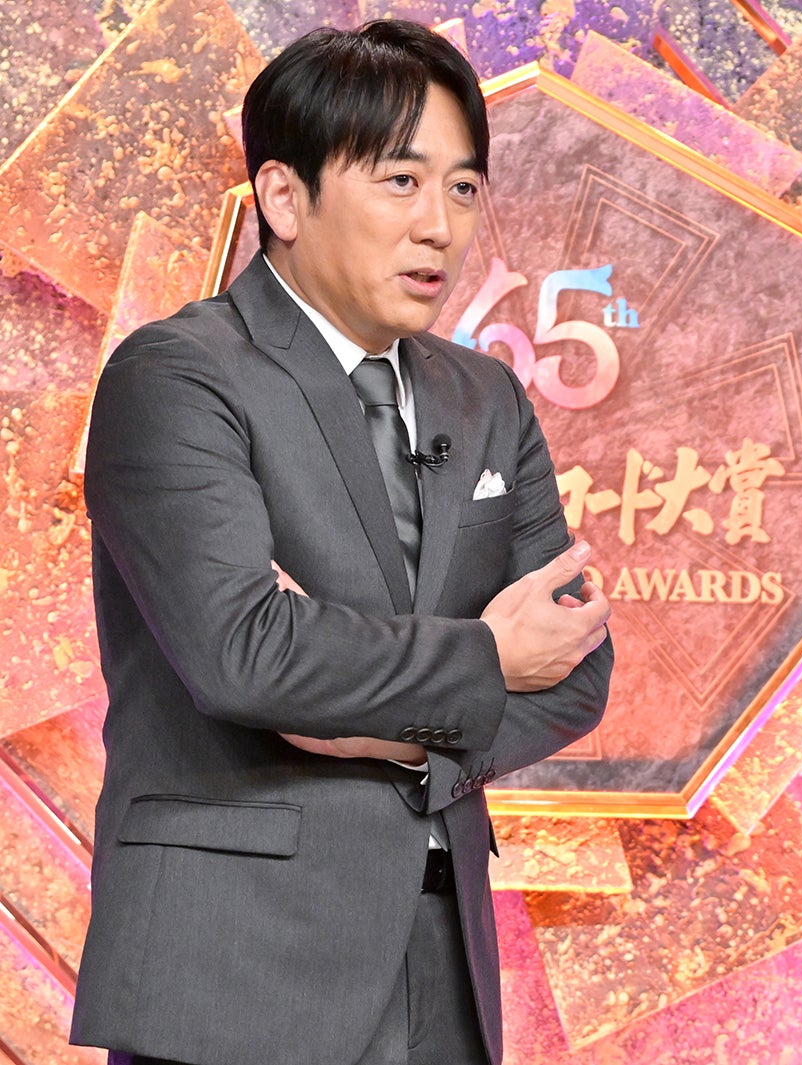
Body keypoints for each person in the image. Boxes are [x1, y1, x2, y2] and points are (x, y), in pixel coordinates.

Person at [70, 20, 613, 1065]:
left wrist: (381, 733)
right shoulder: (176, 376)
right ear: (284, 197)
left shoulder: (486, 396)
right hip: (234, 966)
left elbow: (575, 668)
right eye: (401, 181)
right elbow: (246, 653)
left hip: (441, 959)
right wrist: (484, 658)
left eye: (463, 187)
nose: (441, 227)